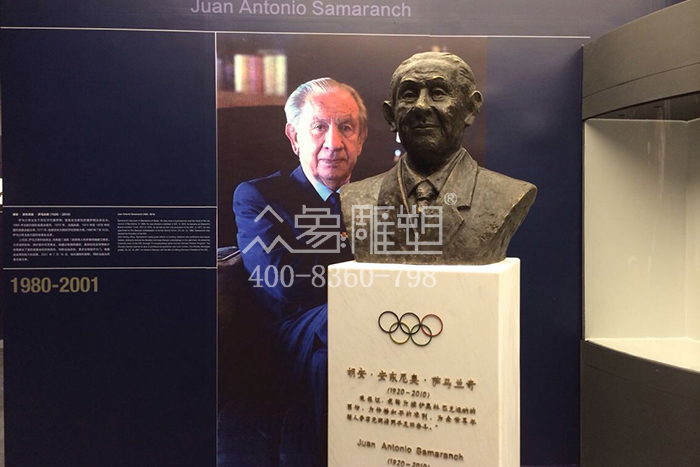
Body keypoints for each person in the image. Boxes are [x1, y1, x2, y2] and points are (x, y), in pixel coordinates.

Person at [232, 77, 367, 465]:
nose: (333, 143)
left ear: (360, 139)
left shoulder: (380, 202)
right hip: (292, 336)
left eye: (346, 127)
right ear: (294, 137)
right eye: (319, 127)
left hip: (365, 322)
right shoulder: (259, 197)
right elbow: (283, 285)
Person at [341, 52, 537, 265]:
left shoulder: (506, 195)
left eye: (438, 93)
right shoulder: (356, 197)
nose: (421, 106)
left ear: (470, 109)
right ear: (391, 116)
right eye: (409, 95)